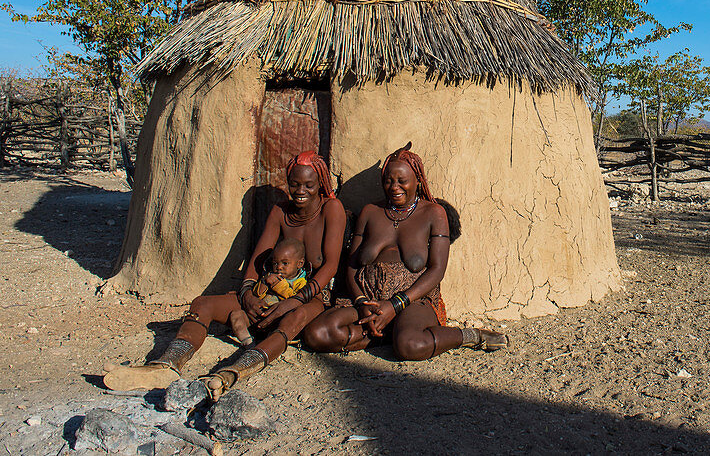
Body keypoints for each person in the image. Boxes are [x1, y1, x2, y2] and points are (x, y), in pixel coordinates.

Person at [104, 151, 346, 398]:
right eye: (294, 184)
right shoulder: (280, 212)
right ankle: (166, 365)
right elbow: (258, 257)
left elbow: (330, 266)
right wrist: (247, 293)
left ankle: (231, 373)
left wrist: (294, 301)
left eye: (308, 185)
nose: (300, 190)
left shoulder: (331, 209)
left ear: (321, 185)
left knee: (292, 320)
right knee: (203, 304)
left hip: (310, 297)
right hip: (269, 290)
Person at [302, 144, 507, 359]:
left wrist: (395, 305)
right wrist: (362, 302)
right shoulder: (371, 212)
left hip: (410, 300)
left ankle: (469, 335)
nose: (394, 187)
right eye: (389, 181)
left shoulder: (433, 214)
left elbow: (437, 270)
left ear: (417, 181)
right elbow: (353, 266)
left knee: (411, 345)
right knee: (317, 334)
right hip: (369, 300)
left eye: (402, 181)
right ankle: (385, 330)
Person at [228, 238, 309, 346]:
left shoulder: (300, 282)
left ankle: (271, 341)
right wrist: (264, 282)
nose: (279, 267)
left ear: (300, 263)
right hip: (257, 317)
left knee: (287, 323)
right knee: (236, 315)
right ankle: (247, 341)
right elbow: (256, 293)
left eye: (285, 263)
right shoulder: (270, 275)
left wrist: (280, 287)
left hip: (276, 320)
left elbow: (295, 299)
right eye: (275, 263)